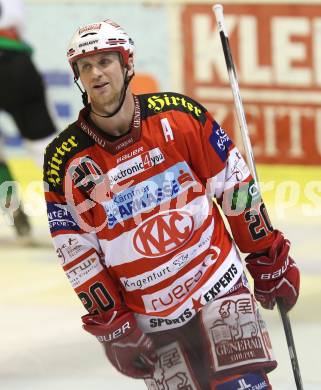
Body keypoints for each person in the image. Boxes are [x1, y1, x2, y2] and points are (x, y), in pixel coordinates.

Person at [43, 19, 300, 389]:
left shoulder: (178, 116)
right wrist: (113, 323)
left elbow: (235, 187)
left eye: (105, 62)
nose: (96, 73)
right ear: (78, 77)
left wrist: (266, 255)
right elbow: (76, 251)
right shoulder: (65, 161)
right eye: (85, 66)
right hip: (151, 322)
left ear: (127, 64)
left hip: (219, 285)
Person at [0, 0, 56, 237]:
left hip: (14, 63)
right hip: (14, 63)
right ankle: (93, 209)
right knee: (46, 147)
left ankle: (15, 213)